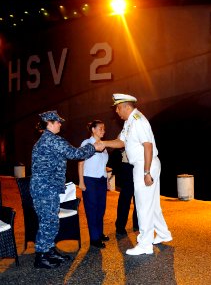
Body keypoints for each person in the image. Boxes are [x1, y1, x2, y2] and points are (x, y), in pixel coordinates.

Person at [30, 110, 105, 269]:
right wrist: (93, 147)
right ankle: (41, 257)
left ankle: (49, 251)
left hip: (45, 187)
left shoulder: (44, 140)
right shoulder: (52, 140)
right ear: (49, 123)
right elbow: (75, 153)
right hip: (45, 189)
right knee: (48, 222)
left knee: (51, 221)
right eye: (57, 122)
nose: (60, 124)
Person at [103, 94, 172, 256]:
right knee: (152, 204)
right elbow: (121, 142)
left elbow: (147, 146)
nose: (117, 112)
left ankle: (145, 244)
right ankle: (163, 233)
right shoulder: (129, 122)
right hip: (144, 164)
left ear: (126, 106)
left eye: (118, 108)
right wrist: (104, 143)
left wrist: (146, 172)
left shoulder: (138, 120)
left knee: (142, 206)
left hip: (144, 165)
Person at [78, 120, 109, 249]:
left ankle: (99, 233)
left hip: (101, 179)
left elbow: (103, 164)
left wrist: (106, 179)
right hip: (89, 180)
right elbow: (80, 162)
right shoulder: (87, 143)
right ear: (93, 130)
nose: (103, 131)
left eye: (104, 129)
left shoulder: (103, 145)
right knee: (91, 209)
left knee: (101, 208)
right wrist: (81, 181)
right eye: (100, 128)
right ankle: (94, 239)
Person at [108, 148, 138, 236]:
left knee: (139, 198)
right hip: (127, 167)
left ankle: (137, 224)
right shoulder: (125, 133)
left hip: (139, 166)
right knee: (125, 199)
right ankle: (120, 226)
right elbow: (118, 144)